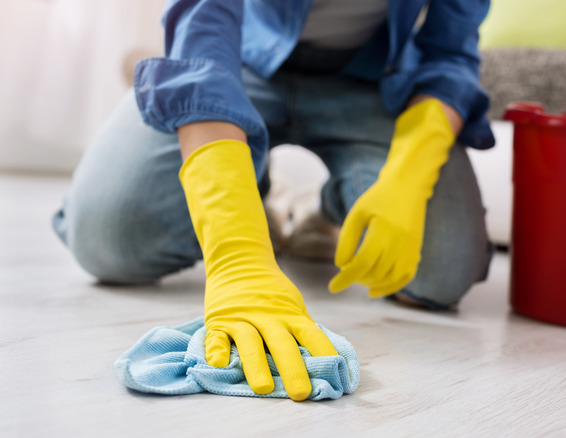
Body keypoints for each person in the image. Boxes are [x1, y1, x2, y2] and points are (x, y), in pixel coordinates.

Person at [53, 0, 494, 401]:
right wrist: (238, 254)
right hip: (235, 61)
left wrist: (408, 180)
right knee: (109, 236)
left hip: (374, 82)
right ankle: (249, 188)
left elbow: (451, 56)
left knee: (440, 271)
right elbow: (203, 25)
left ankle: (323, 214)